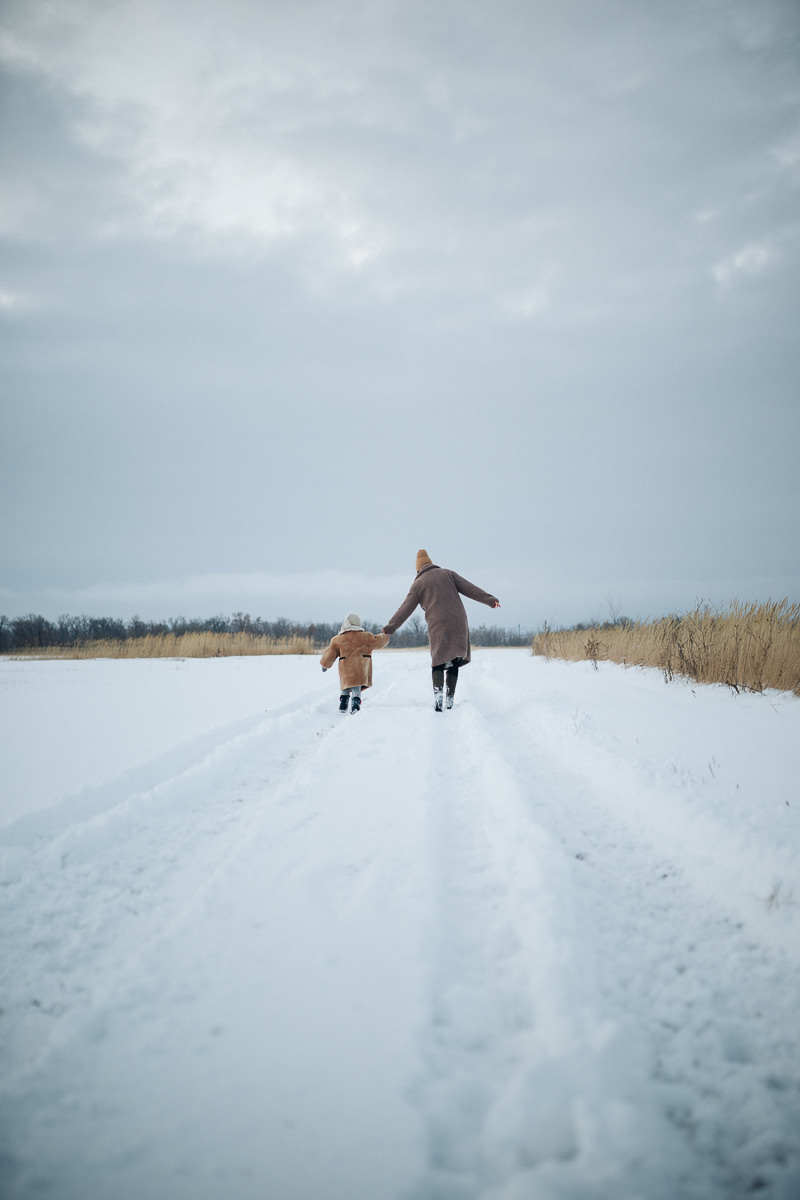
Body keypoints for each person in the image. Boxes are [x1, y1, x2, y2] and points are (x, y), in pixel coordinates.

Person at [382, 550, 500, 711]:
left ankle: (439, 698)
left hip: (438, 623)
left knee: (438, 660)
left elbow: (405, 608)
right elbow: (470, 588)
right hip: (459, 620)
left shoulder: (418, 584)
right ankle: (450, 699)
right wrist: (490, 600)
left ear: (418, 569)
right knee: (454, 659)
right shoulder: (448, 573)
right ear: (431, 563)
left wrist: (390, 628)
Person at [320, 612, 390, 714]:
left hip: (345, 669)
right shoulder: (366, 637)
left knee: (346, 685)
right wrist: (385, 635)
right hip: (360, 668)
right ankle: (356, 702)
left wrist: (325, 664)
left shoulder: (338, 639)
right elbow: (377, 641)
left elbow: (330, 653)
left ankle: (343, 703)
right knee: (356, 686)